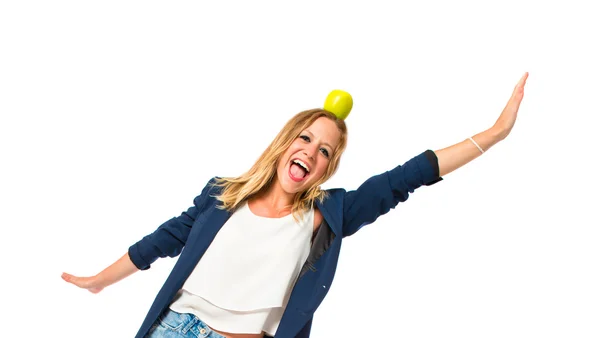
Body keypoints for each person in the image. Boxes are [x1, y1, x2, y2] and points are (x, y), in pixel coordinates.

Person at [62, 72, 529, 338]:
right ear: (286, 143)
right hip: (170, 327)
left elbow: (405, 178)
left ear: (327, 169)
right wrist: (99, 281)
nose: (311, 151)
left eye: (325, 151)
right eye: (305, 139)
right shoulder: (223, 193)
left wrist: (492, 135)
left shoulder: (328, 215)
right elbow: (160, 243)